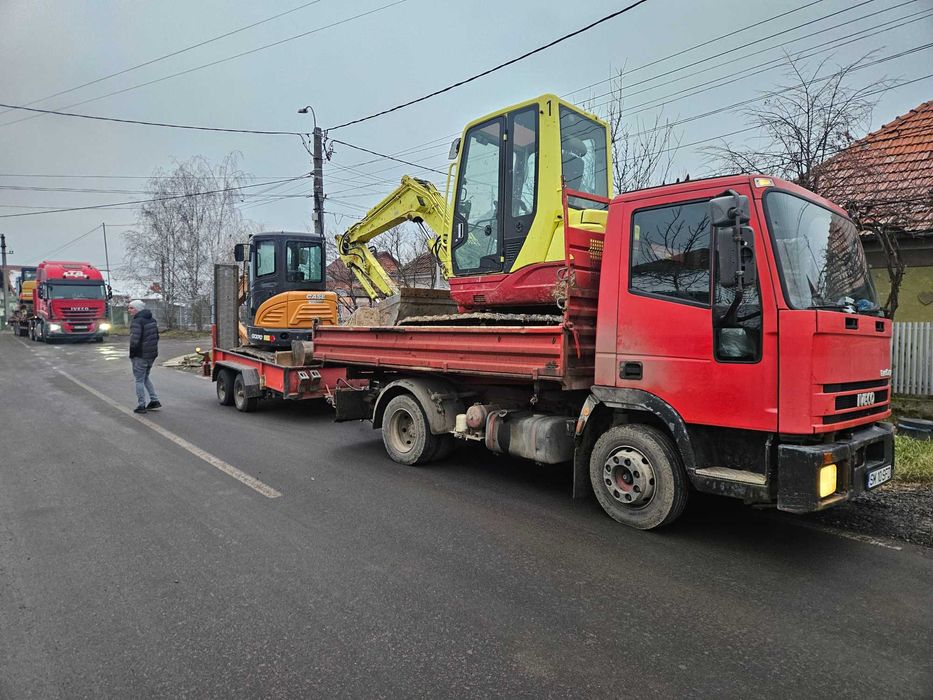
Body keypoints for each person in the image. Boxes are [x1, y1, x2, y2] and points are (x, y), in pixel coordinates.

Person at [128, 299, 161, 414]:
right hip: (151, 355)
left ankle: (141, 405)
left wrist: (132, 354)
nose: (129, 310)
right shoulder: (152, 320)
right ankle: (154, 400)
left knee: (139, 380)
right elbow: (156, 337)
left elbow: (134, 341)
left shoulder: (137, 321)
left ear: (137, 309)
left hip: (140, 355)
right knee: (145, 377)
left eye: (131, 308)